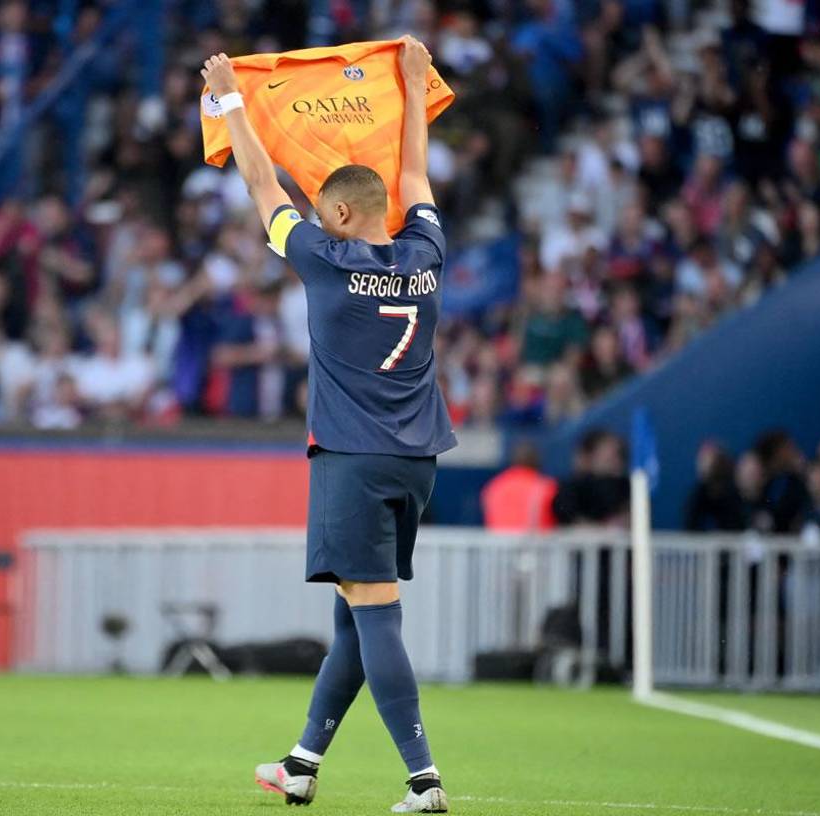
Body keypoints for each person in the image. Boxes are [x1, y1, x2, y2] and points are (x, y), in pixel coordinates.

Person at [200, 37, 454, 813]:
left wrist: (231, 97)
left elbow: (259, 181)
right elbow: (414, 177)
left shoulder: (326, 260)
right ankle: (302, 762)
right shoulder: (427, 254)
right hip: (417, 459)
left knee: (374, 612)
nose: (314, 217)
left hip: (352, 458)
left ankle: (423, 778)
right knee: (354, 612)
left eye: (322, 211)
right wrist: (413, 86)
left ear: (341, 214)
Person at [481, 440, 557, 531]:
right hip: (536, 539)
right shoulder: (545, 487)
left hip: (497, 539)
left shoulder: (494, 486)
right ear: (537, 461)